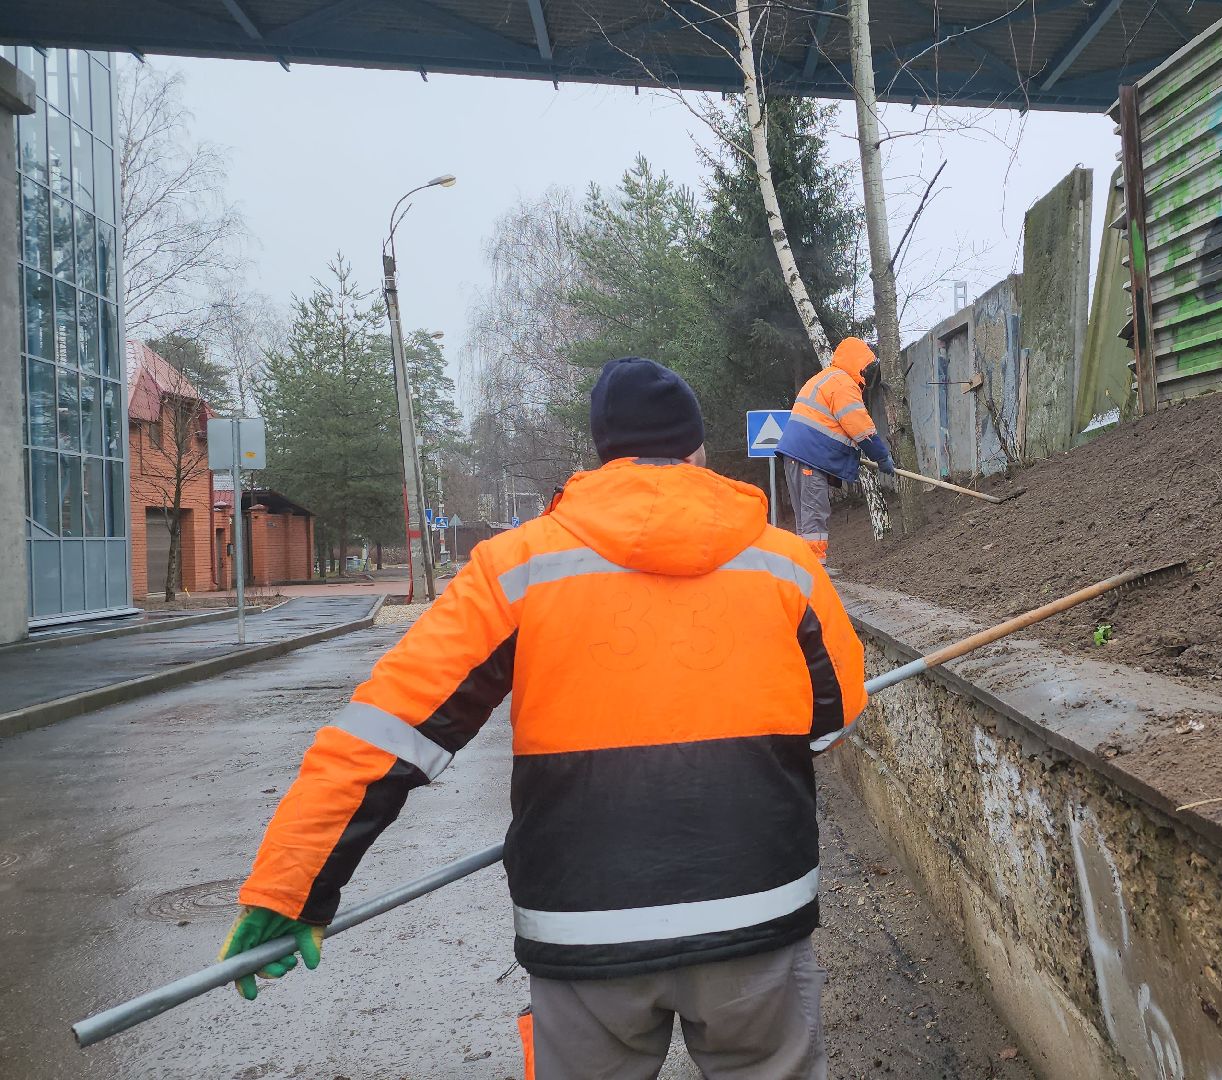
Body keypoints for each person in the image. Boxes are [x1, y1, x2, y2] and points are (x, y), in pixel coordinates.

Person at [220, 357, 867, 1080]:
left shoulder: (515, 565)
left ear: (604, 452)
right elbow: (832, 718)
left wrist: (291, 887)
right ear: (697, 450)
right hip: (758, 914)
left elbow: (385, 732)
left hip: (583, 925)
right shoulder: (786, 564)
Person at [774, 337, 896, 561]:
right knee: (814, 518)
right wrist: (882, 457)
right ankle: (816, 570)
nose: (867, 373)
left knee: (805, 522)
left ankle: (805, 569)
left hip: (796, 456)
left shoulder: (825, 378)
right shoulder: (843, 384)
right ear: (857, 363)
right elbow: (861, 429)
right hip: (809, 458)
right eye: (866, 367)